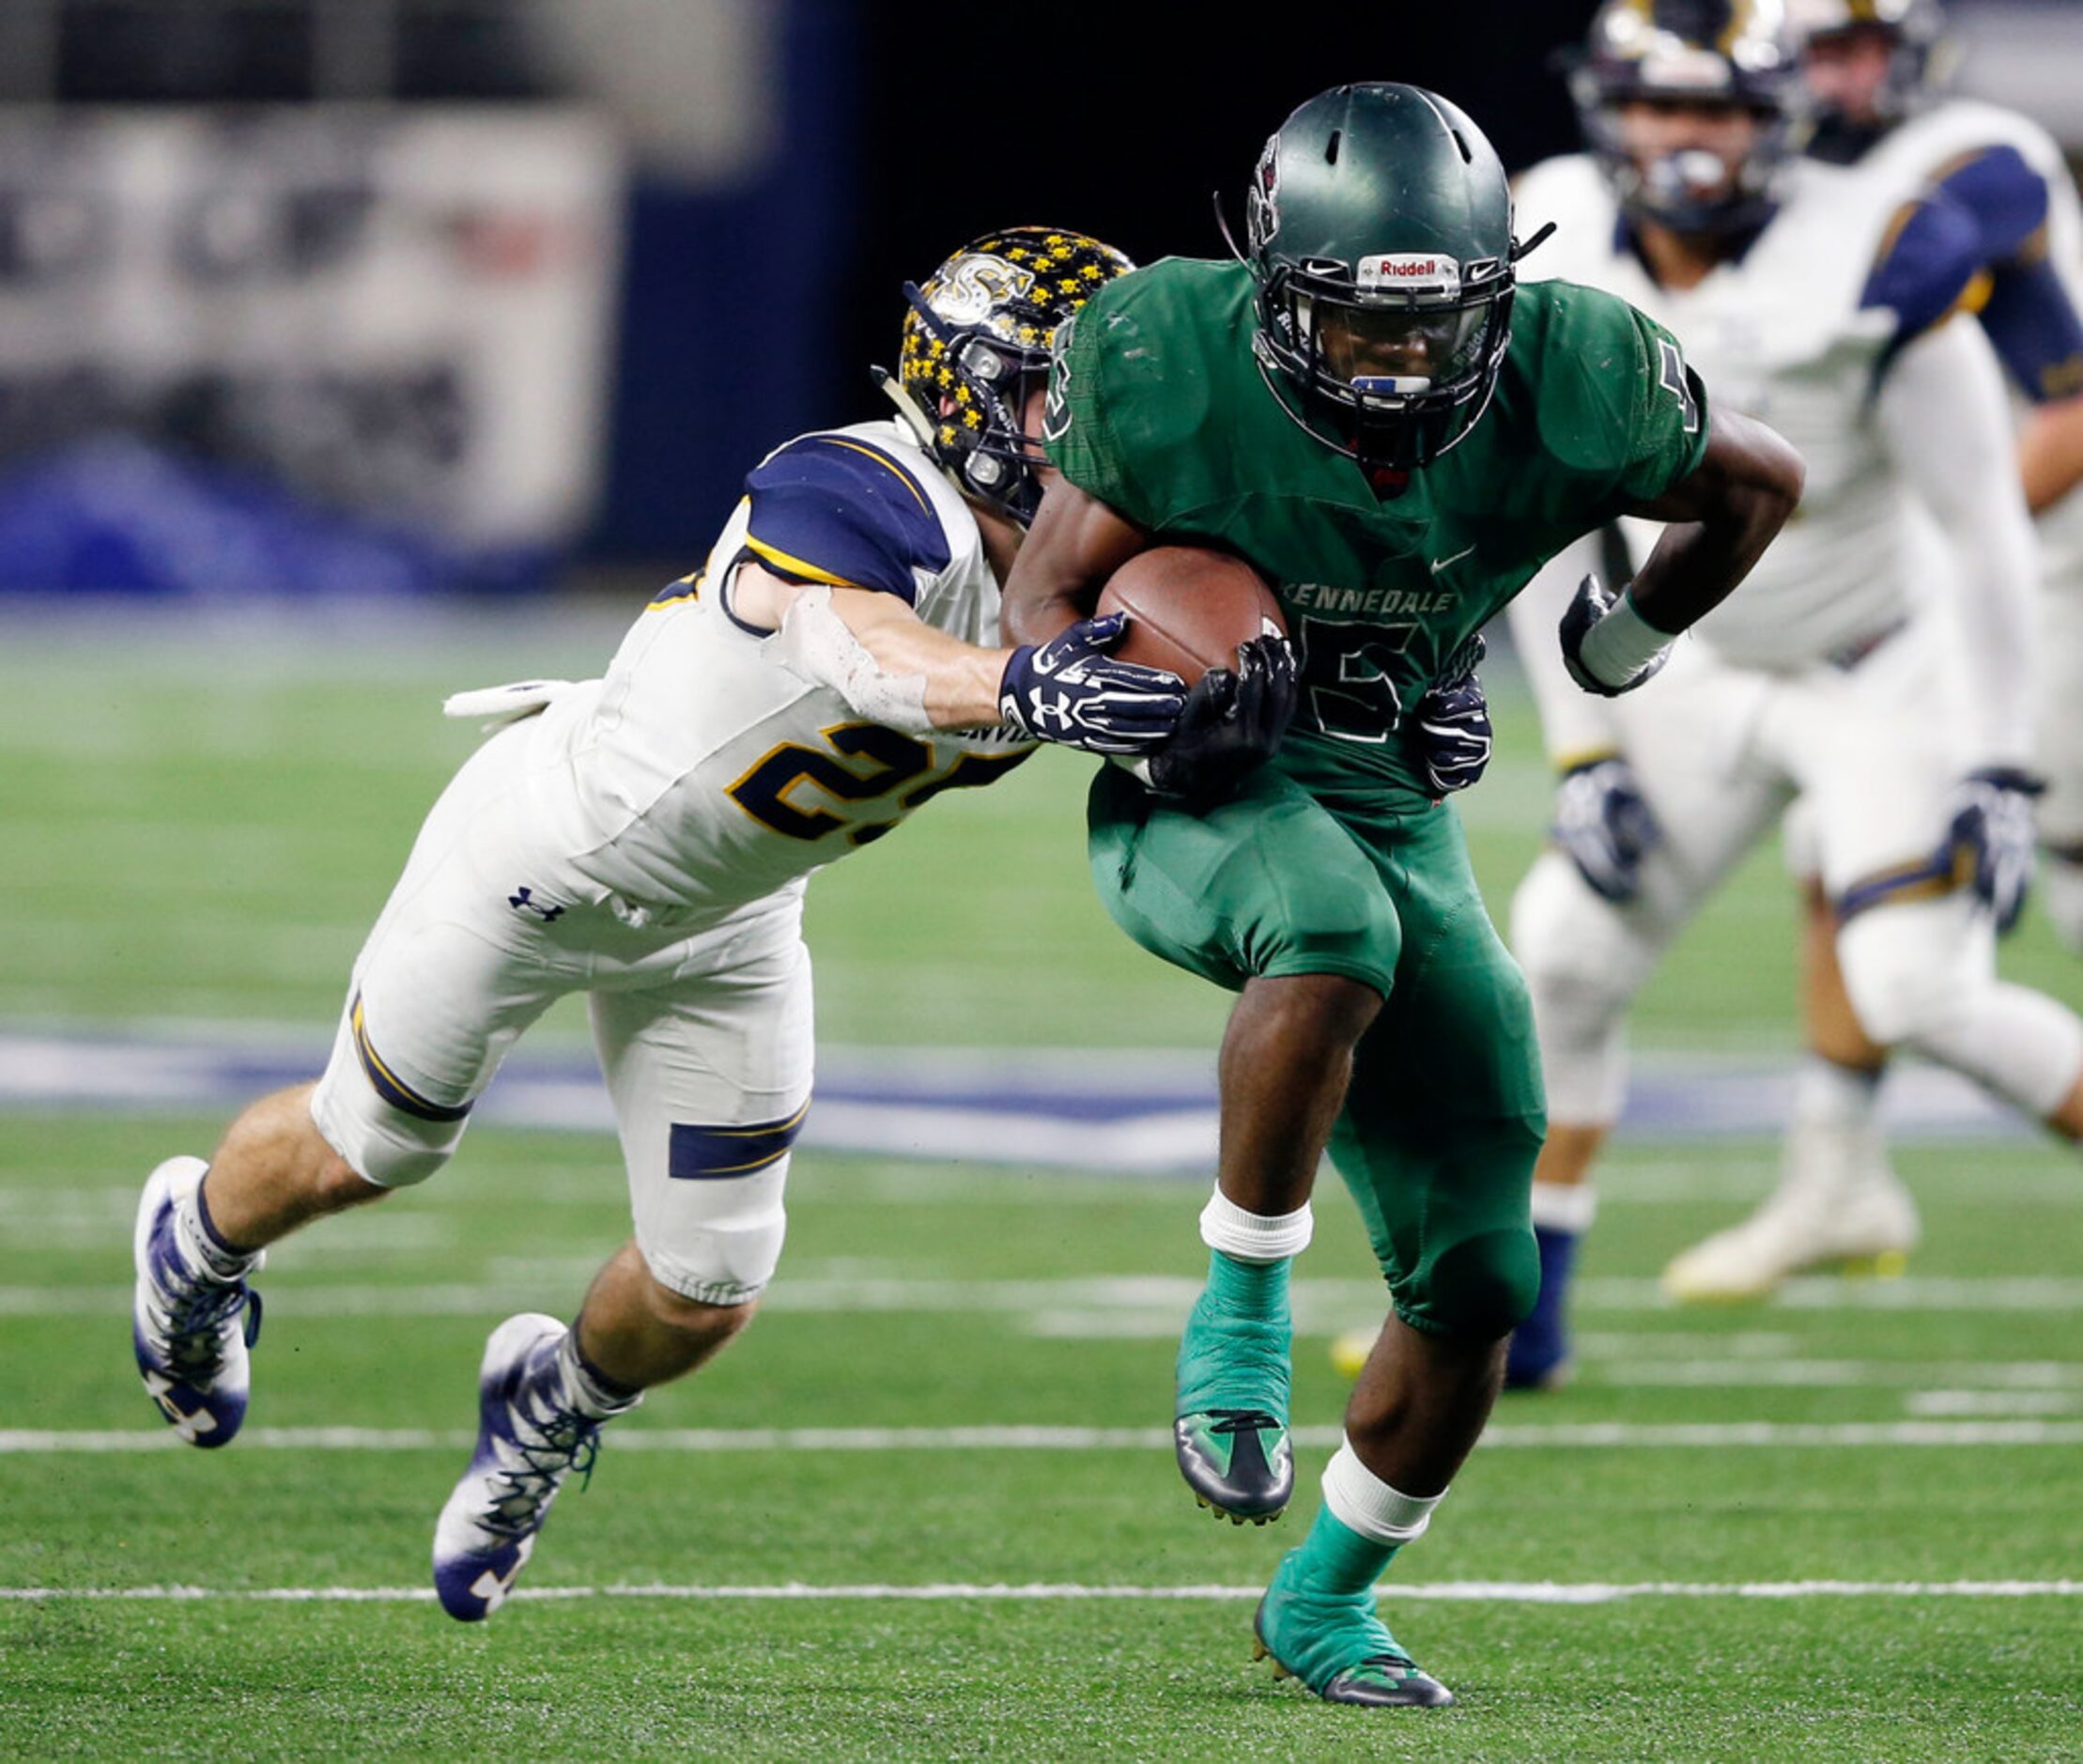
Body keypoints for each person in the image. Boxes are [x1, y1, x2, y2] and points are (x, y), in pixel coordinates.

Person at [129, 227, 1192, 1621]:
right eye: (1058, 395)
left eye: (1111, 397)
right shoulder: (863, 482)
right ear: (962, 388)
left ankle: (550, 1400)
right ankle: (196, 1249)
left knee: (708, 1282)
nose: (1090, 432)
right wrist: (1020, 680)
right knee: (369, 1145)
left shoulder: (1127, 561)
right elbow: (853, 646)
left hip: (733, 919)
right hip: (540, 858)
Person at [1001, 83, 1804, 1707]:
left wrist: (1615, 646)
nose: (1398, 366)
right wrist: (1082, 689)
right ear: (1271, 286)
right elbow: (1048, 591)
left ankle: (1325, 1596)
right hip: (1208, 787)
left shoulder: (1576, 366)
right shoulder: (1168, 350)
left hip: (1388, 792)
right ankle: (1240, 1310)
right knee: (1324, 921)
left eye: (1433, 332)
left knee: (1483, 1274)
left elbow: (1755, 485)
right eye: (1357, 330)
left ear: (1496, 293)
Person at [1498, 0, 2083, 1390]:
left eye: (1712, 110)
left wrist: (1997, 762)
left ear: (1776, 118)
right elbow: (1522, 510)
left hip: (1879, 664)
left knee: (1919, 990)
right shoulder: (1549, 228)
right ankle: (1516, 1317)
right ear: (1605, 107)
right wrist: (1583, 746)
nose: (1680, 141)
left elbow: (1984, 536)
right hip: (1684, 663)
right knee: (1561, 953)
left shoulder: (1876, 245)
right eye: (1655, 105)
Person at [1649, 0, 2083, 1305]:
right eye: (1810, 49)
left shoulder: (1963, 162)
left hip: (2036, 571)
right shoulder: (1789, 186)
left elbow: (2070, 405)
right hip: (1927, 578)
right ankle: (1832, 1173)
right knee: (1837, 866)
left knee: (2049, 875)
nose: (1832, 78)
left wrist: (1933, 561)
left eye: (1852, 47)